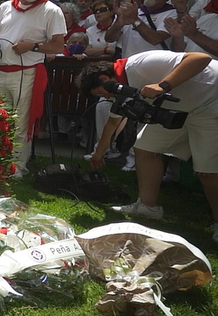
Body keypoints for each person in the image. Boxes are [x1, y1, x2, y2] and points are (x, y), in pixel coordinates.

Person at [81, 52, 218, 241]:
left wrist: (163, 85)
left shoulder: (138, 65)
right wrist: (98, 153)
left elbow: (201, 58)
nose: (103, 97)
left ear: (104, 79)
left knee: (208, 172)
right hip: (181, 111)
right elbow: (112, 123)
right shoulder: (122, 88)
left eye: (99, 93)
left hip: (211, 104)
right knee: (144, 148)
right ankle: (148, 207)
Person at [0, 0, 66, 177]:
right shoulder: (4, 7)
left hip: (27, 72)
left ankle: (17, 167)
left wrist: (34, 46)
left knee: (20, 121)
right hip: (0, 70)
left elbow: (58, 46)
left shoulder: (51, 10)